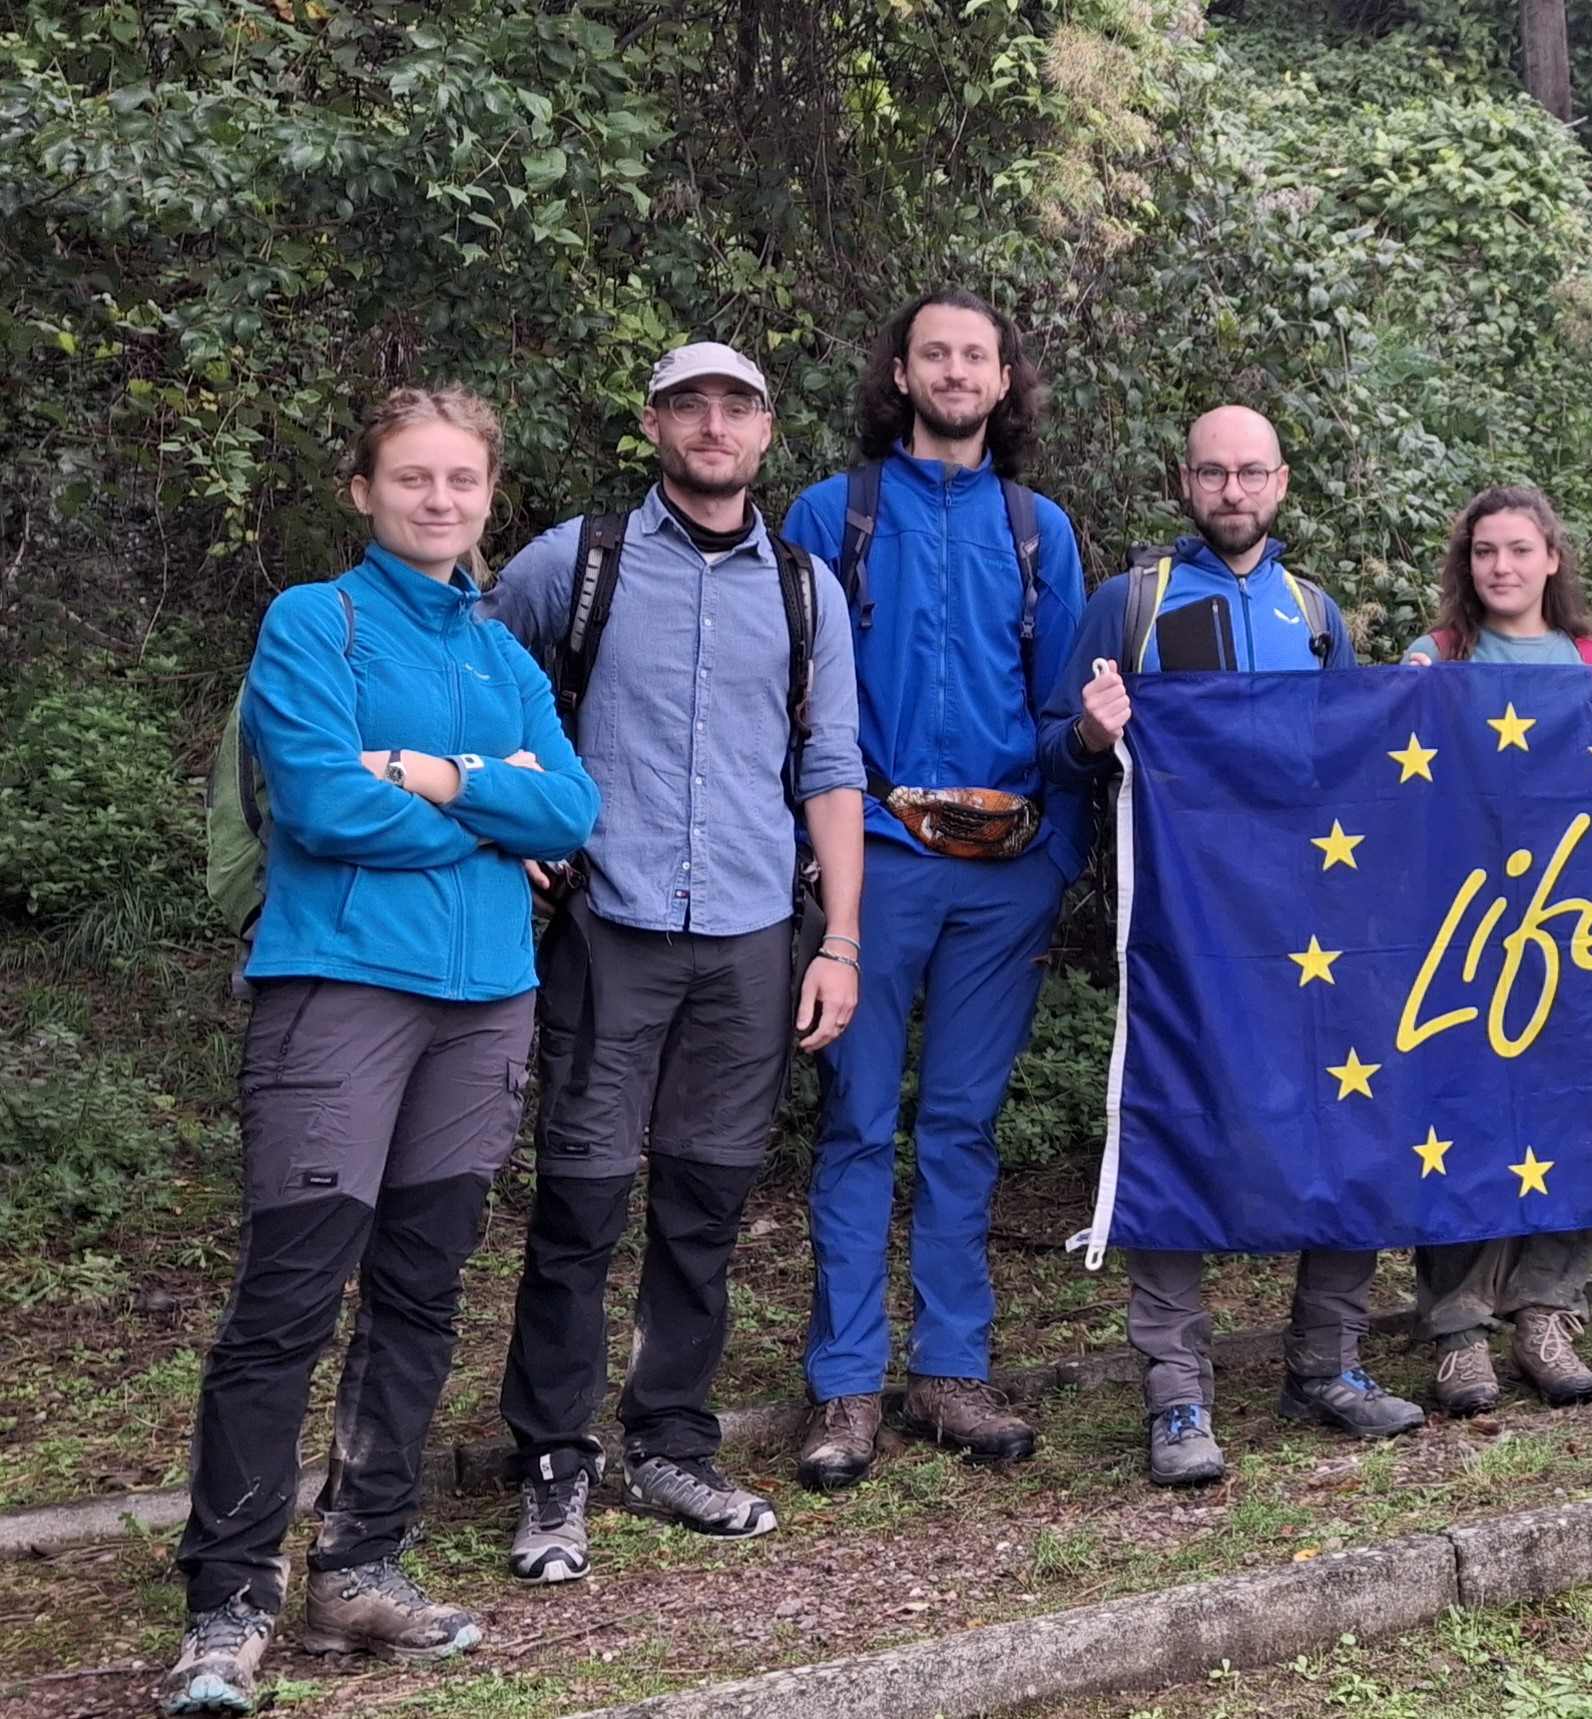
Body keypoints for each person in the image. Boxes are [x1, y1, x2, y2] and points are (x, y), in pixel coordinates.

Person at [162, 388, 599, 1715]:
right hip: (342, 989)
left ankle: (360, 1564)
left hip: (488, 1001)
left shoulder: (504, 649)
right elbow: (321, 801)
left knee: (418, 1291)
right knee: (290, 1298)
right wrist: (488, 809)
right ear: (363, 489)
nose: (440, 499)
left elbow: (572, 806)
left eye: (463, 479)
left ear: (487, 493)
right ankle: (227, 1605)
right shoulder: (316, 621)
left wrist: (442, 776)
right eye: (413, 477)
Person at [480, 341, 865, 1581]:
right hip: (613, 928)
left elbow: (830, 771)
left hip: (752, 938)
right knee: (579, 1205)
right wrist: (515, 819)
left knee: (703, 1210)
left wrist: (840, 942)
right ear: (654, 425)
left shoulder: (807, 591)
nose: (713, 426)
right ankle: (553, 1461)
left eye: (735, 408)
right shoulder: (575, 564)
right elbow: (475, 683)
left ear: (766, 433)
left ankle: (671, 1446)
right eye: (690, 405)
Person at [1045, 404, 1428, 1487]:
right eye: (1211, 474)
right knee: (1180, 1124)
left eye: (1249, 472)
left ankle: (1327, 1364)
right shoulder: (1132, 602)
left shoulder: (1316, 614)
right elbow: (1052, 746)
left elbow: (1353, 759)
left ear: (1282, 482)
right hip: (1183, 921)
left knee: (1347, 1115)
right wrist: (1089, 734)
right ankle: (1175, 1395)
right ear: (1185, 483)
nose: (1231, 492)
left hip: (1314, 919)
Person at [776, 290, 1091, 1489]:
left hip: (1005, 878)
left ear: (1004, 381)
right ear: (899, 374)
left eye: (978, 355)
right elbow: (796, 703)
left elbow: (1065, 714)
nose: (957, 371)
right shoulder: (831, 514)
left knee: (961, 1128)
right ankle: (846, 1387)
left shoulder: (1036, 527)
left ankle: (951, 1372)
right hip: (873, 872)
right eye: (935, 353)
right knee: (856, 1124)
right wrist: (829, 849)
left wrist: (1054, 857)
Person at [1398, 485, 1592, 1414]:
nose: (1502, 567)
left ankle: (1546, 1312)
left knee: (1573, 1110)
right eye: (1485, 551)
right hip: (1464, 924)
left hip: (1574, 925)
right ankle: (1457, 1328)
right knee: (1461, 1117)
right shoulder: (1436, 657)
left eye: (1519, 550)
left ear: (1551, 558)